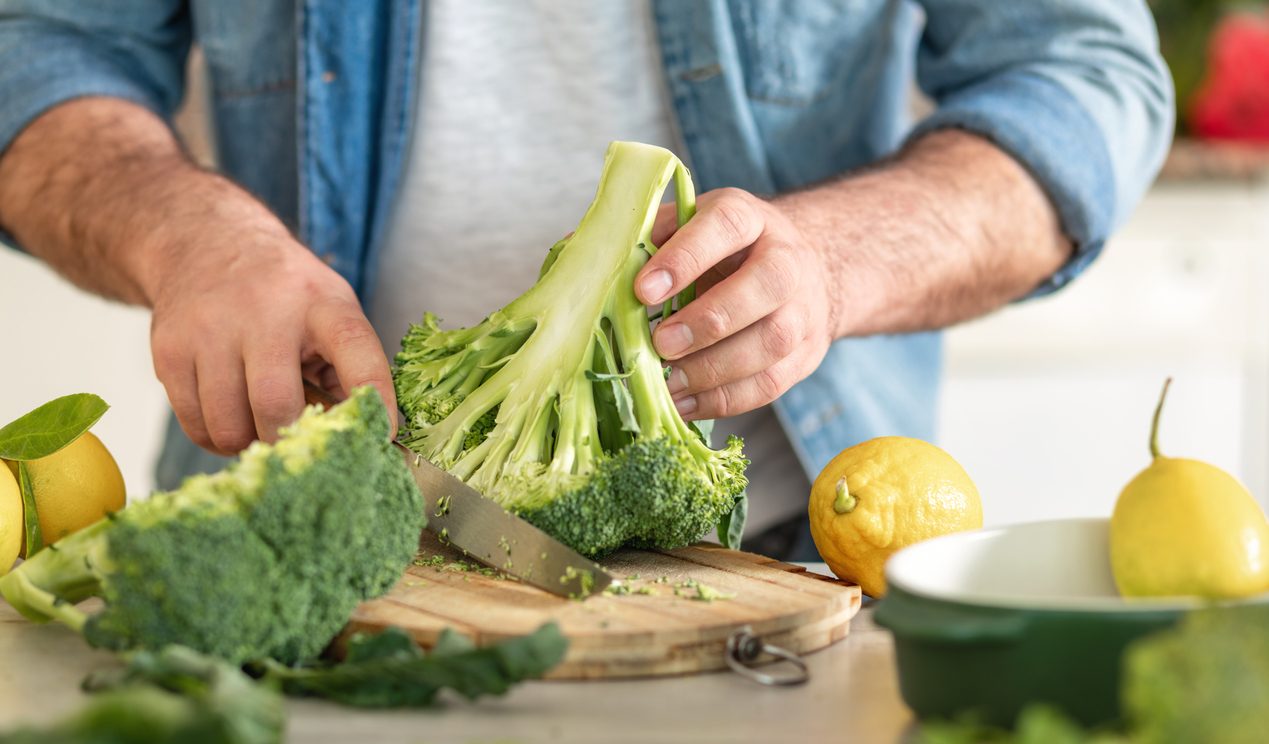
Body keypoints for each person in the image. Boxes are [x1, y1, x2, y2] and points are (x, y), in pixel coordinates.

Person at [0, 2, 1172, 560]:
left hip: (779, 562)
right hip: (281, 537)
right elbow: (43, 46)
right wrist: (180, 226)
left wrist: (838, 258)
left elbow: (1084, 74)